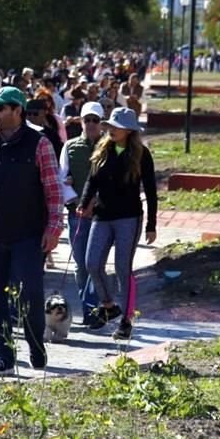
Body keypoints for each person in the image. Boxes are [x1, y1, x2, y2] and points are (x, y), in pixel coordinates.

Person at [0, 86, 64, 377]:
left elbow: (54, 192)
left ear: (18, 111)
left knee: (29, 295)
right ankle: (2, 355)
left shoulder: (39, 144)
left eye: (2, 107)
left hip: (27, 235)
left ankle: (35, 344)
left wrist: (54, 229)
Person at [78, 107, 156, 339]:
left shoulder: (141, 154)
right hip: (102, 215)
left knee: (123, 268)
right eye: (110, 125)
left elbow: (151, 191)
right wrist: (84, 202)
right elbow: (91, 180)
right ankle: (109, 306)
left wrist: (152, 223)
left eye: (116, 126)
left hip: (128, 217)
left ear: (129, 130)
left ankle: (126, 320)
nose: (111, 129)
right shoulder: (103, 150)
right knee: (92, 263)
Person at [59, 101, 104, 324]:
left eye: (95, 120)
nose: (91, 124)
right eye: (87, 120)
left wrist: (96, 203)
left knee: (95, 263)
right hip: (77, 214)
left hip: (102, 216)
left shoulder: (111, 147)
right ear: (81, 121)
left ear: (102, 123)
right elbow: (62, 179)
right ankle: (87, 307)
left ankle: (93, 311)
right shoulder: (69, 147)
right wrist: (78, 202)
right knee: (80, 264)